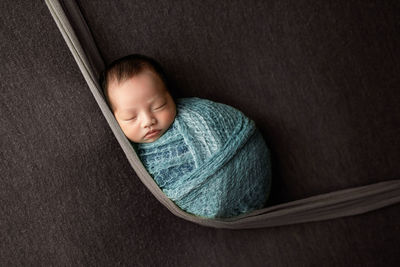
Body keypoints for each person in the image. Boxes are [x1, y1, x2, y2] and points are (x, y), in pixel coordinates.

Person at [100, 54, 272, 219]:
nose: (148, 121)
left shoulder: (200, 116)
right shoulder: (133, 158)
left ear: (170, 96)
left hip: (254, 177)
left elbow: (244, 133)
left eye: (159, 106)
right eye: (131, 117)